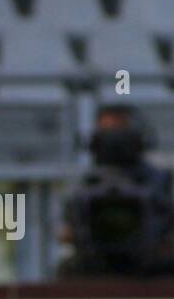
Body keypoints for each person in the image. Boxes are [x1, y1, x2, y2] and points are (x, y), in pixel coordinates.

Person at [58, 105, 174, 277]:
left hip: (152, 270)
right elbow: (68, 232)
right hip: (92, 269)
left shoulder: (163, 184)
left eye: (121, 130)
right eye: (107, 132)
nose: (114, 140)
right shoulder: (83, 187)